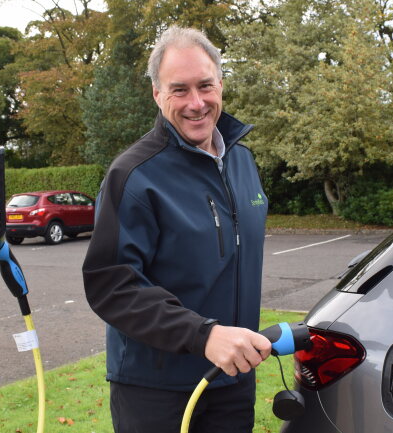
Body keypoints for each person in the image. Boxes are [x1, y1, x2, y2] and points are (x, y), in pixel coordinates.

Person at [82, 26, 271, 433]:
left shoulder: (243, 162)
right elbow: (111, 286)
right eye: (179, 90)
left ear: (220, 84)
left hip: (232, 382)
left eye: (205, 86)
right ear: (156, 94)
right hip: (155, 390)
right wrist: (203, 335)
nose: (196, 103)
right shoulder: (133, 176)